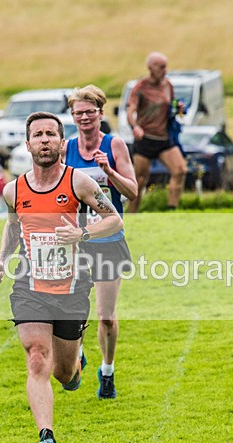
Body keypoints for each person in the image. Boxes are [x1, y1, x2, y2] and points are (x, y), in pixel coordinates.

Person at [0, 112, 123, 443]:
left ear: (62, 143)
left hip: (72, 287)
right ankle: (46, 438)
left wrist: (82, 233)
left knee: (64, 375)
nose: (44, 140)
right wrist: (1, 259)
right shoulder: (13, 189)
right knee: (36, 357)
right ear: (28, 143)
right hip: (29, 286)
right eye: (38, 135)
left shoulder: (79, 183)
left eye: (51, 134)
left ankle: (77, 362)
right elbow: (13, 227)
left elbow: (114, 219)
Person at [64, 85, 137, 399]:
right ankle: (76, 353)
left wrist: (109, 171)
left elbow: (133, 192)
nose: (84, 118)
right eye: (78, 113)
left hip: (108, 238)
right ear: (72, 116)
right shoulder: (64, 148)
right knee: (74, 309)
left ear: (100, 113)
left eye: (89, 112)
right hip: (73, 240)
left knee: (105, 316)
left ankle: (107, 371)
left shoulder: (114, 144)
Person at [125, 51, 187, 213]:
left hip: (164, 138)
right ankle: (131, 215)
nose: (165, 70)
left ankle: (171, 210)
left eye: (166, 66)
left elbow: (171, 103)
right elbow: (131, 110)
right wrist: (135, 127)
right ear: (150, 68)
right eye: (161, 67)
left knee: (180, 170)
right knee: (139, 181)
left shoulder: (168, 85)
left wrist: (178, 107)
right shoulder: (140, 87)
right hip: (145, 139)